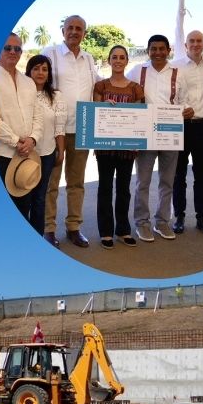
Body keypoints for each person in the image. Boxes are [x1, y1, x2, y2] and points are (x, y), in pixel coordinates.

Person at [40, 15, 100, 249]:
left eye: (79, 29)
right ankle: (48, 229)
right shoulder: (51, 53)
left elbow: (98, 84)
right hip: (55, 130)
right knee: (51, 183)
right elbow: (38, 82)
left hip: (82, 129)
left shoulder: (88, 58)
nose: (74, 32)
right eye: (70, 28)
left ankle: (74, 227)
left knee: (76, 183)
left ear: (85, 33)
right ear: (63, 30)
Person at [127, 34, 187, 242]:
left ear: (168, 50)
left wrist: (187, 111)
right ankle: (142, 223)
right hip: (145, 132)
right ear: (148, 50)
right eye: (154, 49)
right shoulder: (137, 70)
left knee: (167, 181)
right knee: (143, 181)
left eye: (162, 48)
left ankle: (162, 221)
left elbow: (184, 101)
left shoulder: (178, 73)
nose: (158, 52)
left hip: (170, 132)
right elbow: (125, 91)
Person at [92, 45, 146, 248]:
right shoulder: (101, 86)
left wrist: (139, 141)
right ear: (108, 60)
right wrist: (106, 107)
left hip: (127, 148)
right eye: (114, 57)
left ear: (126, 61)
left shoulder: (135, 88)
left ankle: (123, 230)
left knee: (124, 189)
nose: (118, 60)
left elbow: (140, 117)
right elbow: (96, 114)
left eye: (122, 57)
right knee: (105, 188)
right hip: (105, 147)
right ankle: (105, 232)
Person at [172, 30, 203, 236]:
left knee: (201, 176)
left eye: (200, 41)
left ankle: (202, 218)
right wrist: (181, 108)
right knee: (178, 175)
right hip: (181, 126)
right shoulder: (176, 65)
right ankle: (179, 216)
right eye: (192, 41)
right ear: (186, 44)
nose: (196, 44)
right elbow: (171, 94)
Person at [0, 33, 41, 207]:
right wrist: (15, 142)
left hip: (27, 154)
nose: (13, 51)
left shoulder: (28, 82)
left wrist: (33, 139)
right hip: (2, 154)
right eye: (8, 48)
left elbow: (38, 115)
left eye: (17, 48)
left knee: (23, 205)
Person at [23, 55, 66, 234]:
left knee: (40, 198)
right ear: (29, 71)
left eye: (44, 69)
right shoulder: (21, 94)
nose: (40, 72)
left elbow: (60, 127)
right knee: (23, 197)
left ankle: (37, 235)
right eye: (36, 68)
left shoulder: (56, 96)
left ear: (49, 74)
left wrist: (61, 152)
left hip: (46, 153)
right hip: (24, 154)